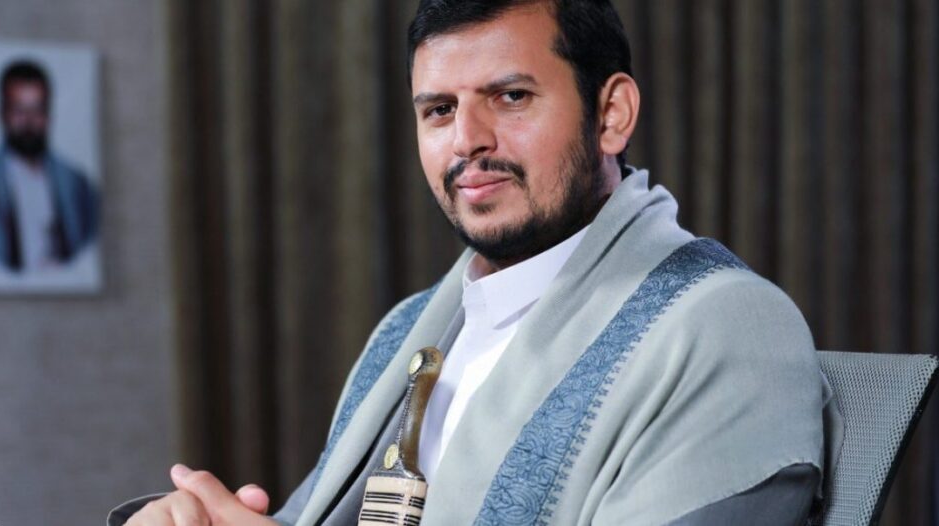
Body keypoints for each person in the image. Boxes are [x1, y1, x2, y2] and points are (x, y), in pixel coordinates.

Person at [113, 1, 840, 524]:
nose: (467, 140)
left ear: (611, 114)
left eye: (511, 97)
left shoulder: (728, 325)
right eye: (438, 111)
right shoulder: (408, 331)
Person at [0, 60, 99, 273]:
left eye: (37, 110)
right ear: (2, 113)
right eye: (19, 110)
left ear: (49, 115)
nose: (29, 121)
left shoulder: (78, 184)